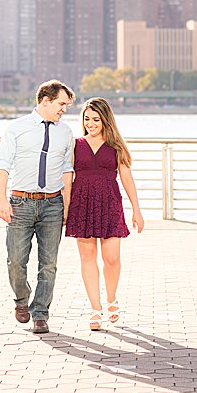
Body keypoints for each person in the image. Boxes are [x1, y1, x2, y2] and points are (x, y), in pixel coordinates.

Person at [0, 80, 76, 334]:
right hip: (20, 203)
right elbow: (3, 165)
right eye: (61, 103)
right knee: (15, 261)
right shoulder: (16, 129)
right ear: (45, 100)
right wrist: (1, 200)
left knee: (49, 263)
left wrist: (67, 204)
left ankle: (40, 313)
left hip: (53, 204)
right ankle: (21, 300)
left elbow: (67, 170)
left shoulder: (66, 133)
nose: (64, 109)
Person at [63, 96, 144, 331]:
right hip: (82, 204)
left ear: (106, 119)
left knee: (112, 258)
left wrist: (136, 210)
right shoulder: (75, 144)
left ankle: (111, 300)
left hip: (110, 205)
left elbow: (127, 178)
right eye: (87, 119)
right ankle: (95, 309)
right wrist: (67, 208)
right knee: (87, 258)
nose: (90, 123)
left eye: (96, 119)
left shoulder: (116, 146)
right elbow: (66, 178)